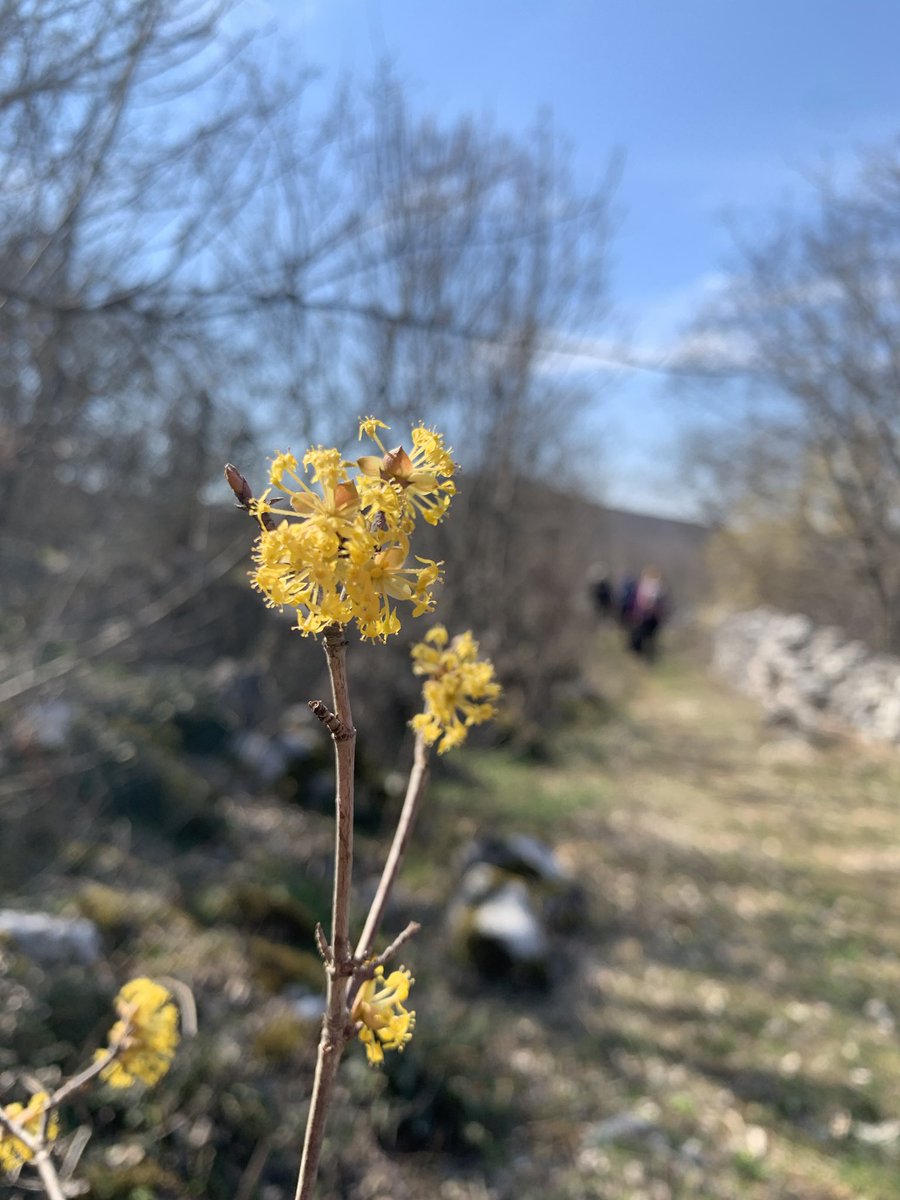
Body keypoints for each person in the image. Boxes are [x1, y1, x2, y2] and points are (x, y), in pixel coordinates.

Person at [624, 566, 669, 659]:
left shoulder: (646, 586)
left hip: (644, 616)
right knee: (647, 635)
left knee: (643, 634)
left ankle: (643, 654)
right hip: (651, 616)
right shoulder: (658, 587)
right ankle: (645, 653)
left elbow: (638, 602)